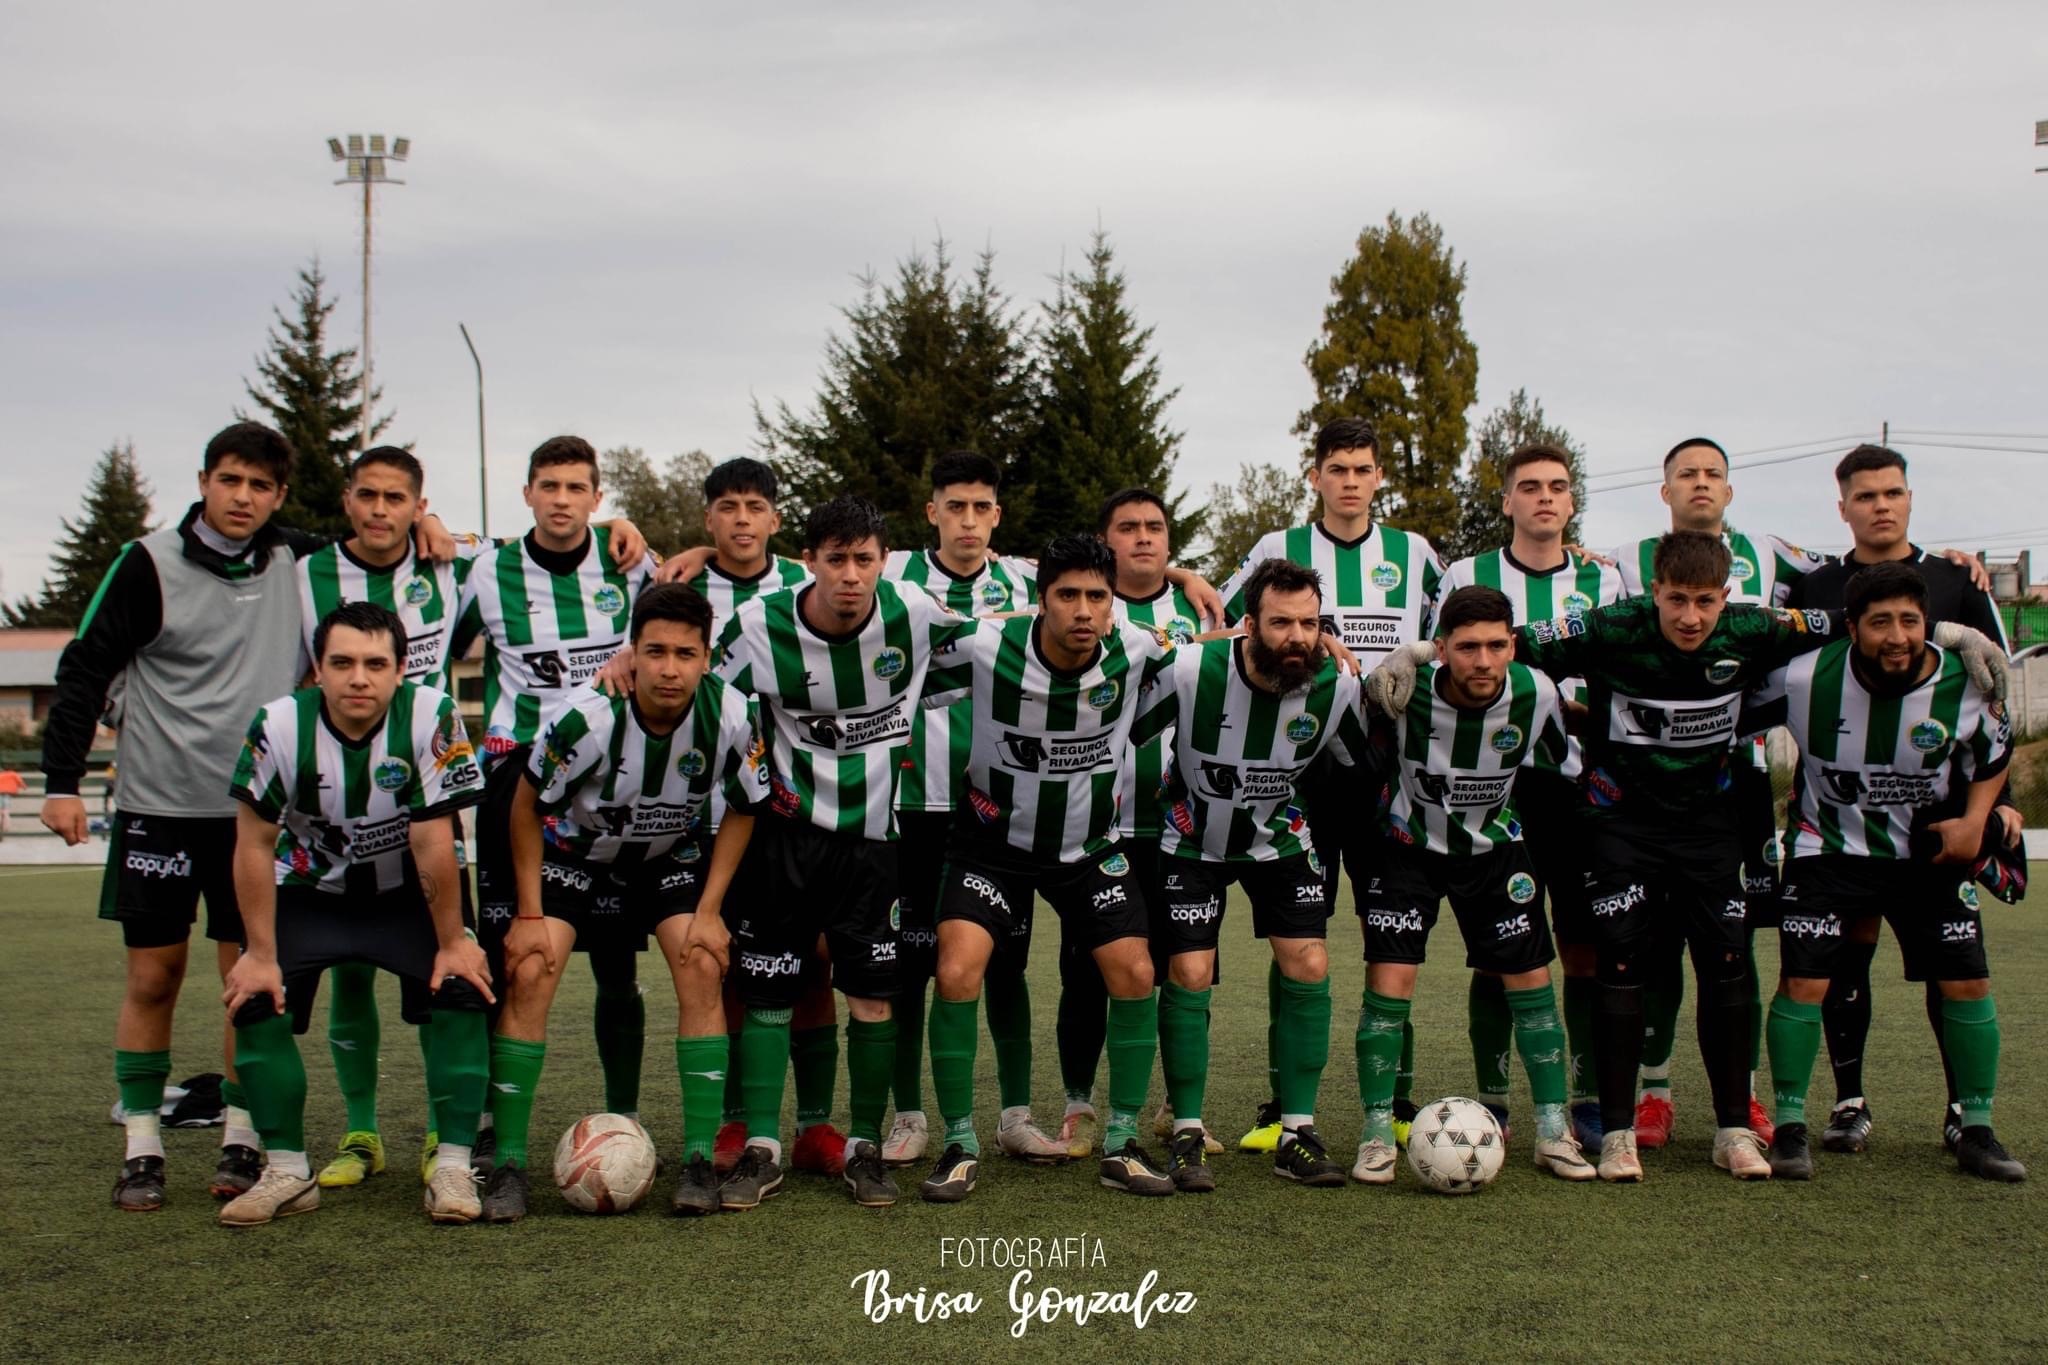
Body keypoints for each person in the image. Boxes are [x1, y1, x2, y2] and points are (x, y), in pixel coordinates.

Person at [1372, 530, 2005, 1180]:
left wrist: (1957, 637)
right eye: (1677, 599)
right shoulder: (1611, 624)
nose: (1691, 616)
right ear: (1655, 592)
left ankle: (1733, 1129)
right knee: (1621, 960)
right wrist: (1416, 653)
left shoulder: (1756, 627)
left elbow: (1852, 622)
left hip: (1709, 824)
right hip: (1619, 821)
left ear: (1725, 598)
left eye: (1705, 601)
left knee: (1726, 961)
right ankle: (1618, 1134)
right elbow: (1509, 642)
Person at [45, 423, 321, 1210]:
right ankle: (142, 1141)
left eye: (261, 486)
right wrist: (62, 782)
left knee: (247, 979)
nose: (243, 498)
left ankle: (241, 1130)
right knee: (154, 974)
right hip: (158, 807)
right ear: (204, 480)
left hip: (253, 815)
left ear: (277, 497)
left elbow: (390, 541)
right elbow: (84, 667)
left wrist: (436, 525)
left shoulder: (294, 559)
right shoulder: (147, 562)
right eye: (231, 480)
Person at [710, 495, 979, 1210]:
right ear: (810, 562)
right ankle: (763, 1148)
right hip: (785, 838)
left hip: (874, 845)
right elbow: (705, 691)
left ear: (882, 560)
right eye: (836, 559)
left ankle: (864, 1145)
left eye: (864, 558)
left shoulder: (915, 614)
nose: (851, 574)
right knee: (770, 989)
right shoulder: (758, 626)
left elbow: (993, 649)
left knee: (872, 996)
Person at [478, 584, 767, 1221]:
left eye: (685, 654)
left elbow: (746, 809)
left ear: (707, 657)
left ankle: (695, 1161)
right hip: (572, 856)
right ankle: (507, 1166)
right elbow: (525, 809)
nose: (669, 668)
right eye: (655, 651)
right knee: (530, 970)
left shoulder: (733, 714)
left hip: (667, 857)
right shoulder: (585, 717)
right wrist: (529, 915)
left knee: (701, 962)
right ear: (631, 653)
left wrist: (712, 910)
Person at [914, 534, 1179, 1201]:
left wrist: (1322, 640)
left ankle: (1121, 1139)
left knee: (1137, 970)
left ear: (1114, 603)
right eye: (1068, 595)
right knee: (955, 969)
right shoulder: (984, 648)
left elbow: (1227, 645)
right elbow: (896, 645)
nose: (1084, 610)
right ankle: (958, 1141)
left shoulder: (1139, 647)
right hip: (991, 848)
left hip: (1088, 848)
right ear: (1041, 600)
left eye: (1097, 596)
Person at [1746, 561, 2023, 1182]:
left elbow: (1992, 756)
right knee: (1804, 982)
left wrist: (1977, 819)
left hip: (1928, 854)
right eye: (1879, 623)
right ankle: (1790, 1129)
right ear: (1852, 627)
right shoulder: (1800, 679)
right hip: (1829, 851)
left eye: (1909, 621)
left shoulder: (1967, 682)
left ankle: (1976, 1129)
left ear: (1930, 625)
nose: (1896, 636)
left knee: (1967, 982)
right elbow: (1727, 693)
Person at [218, 602, 492, 1226]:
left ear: (401, 670)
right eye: (342, 663)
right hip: (311, 892)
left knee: (462, 986)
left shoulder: (432, 715)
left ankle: (451, 1163)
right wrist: (258, 955)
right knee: (254, 999)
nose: (358, 678)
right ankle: (286, 1170)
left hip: (404, 894)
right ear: (318, 668)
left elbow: (432, 839)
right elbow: (254, 844)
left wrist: (452, 940)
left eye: (375, 664)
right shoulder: (279, 725)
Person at [1220, 416, 1443, 1152]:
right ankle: (1284, 1104)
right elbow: (1224, 621)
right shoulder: (1274, 551)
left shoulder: (1414, 555)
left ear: (1380, 476)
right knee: (1299, 941)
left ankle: (1400, 1099)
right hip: (1301, 779)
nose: (1350, 480)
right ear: (1314, 476)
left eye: (1363, 468)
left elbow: (1455, 635)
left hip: (1387, 778)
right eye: (1337, 468)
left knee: (1393, 943)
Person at [1608, 436, 1828, 1149]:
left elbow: (1848, 588)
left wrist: (1948, 569)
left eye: (1713, 474)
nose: (1700, 484)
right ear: (1664, 490)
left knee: (1733, 937)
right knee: (1655, 940)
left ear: (1730, 490)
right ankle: (1655, 1092)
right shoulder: (1620, 562)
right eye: (1685, 475)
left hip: (1739, 772)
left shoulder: (1776, 554)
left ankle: (1746, 1096)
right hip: (1647, 774)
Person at [454, 436, 657, 1172]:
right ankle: (488, 1122)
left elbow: (676, 624)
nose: (563, 498)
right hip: (515, 776)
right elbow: (429, 652)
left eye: (577, 487)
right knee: (514, 958)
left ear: (598, 498)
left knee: (613, 963)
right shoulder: (486, 570)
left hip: (608, 778)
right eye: (549, 485)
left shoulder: (630, 563)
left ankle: (626, 1114)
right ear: (528, 493)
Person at [1134, 558, 1365, 1191]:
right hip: (1191, 841)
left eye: (1310, 624)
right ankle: (1185, 1130)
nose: (1297, 637)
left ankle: (1298, 1132)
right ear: (1250, 626)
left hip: (1280, 840)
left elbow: (1366, 756)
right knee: (1189, 971)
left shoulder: (1337, 684)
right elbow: (1129, 731)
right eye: (1282, 622)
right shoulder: (1190, 671)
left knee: (1310, 963)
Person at [1352, 585, 1594, 1184]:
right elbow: (1357, 715)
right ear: (1441, 649)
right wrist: (1390, 667)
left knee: (1533, 980)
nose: (1482, 661)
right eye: (1466, 648)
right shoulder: (1408, 692)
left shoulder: (1536, 693)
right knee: (1390, 982)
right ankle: (1377, 1133)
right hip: (1408, 850)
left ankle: (1551, 1131)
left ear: (1512, 644)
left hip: (1494, 849)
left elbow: (1562, 764)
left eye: (1495, 645)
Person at [1431, 442, 1624, 1148]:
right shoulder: (1465, 574)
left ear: (1572, 502)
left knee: (1580, 948)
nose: (1545, 496)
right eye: (1530, 486)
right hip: (1494, 784)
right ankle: (1496, 1102)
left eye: (1559, 486)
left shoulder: (1607, 581)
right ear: (1507, 499)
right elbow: (1438, 664)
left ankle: (1587, 1098)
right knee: (1497, 949)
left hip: (1579, 785)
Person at [655, 456, 839, 1178]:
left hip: (795, 804)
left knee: (816, 961)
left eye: (753, 506)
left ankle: (817, 1123)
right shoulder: (677, 585)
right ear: (709, 518)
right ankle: (735, 1117)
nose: (740, 518)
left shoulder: (803, 586)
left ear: (774, 518)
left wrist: (1178, 578)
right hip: (711, 803)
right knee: (732, 966)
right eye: (726, 506)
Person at [880, 451, 1059, 1167]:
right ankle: (909, 1116)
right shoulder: (891, 578)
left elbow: (1109, 594)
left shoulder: (1024, 582)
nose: (969, 520)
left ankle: (1015, 1113)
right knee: (908, 967)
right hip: (909, 806)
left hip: (997, 810)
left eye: (982, 507)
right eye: (955, 506)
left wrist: (1181, 574)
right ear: (932, 512)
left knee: (1005, 965)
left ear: (998, 514)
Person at [1053, 487, 1205, 1160]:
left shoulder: (1201, 604)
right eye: (1128, 528)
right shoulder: (1080, 607)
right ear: (1104, 541)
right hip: (1097, 827)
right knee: (1087, 971)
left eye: (1155, 527)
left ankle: (1178, 1108)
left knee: (1180, 968)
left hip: (1180, 825)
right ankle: (1080, 1104)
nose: (1143, 537)